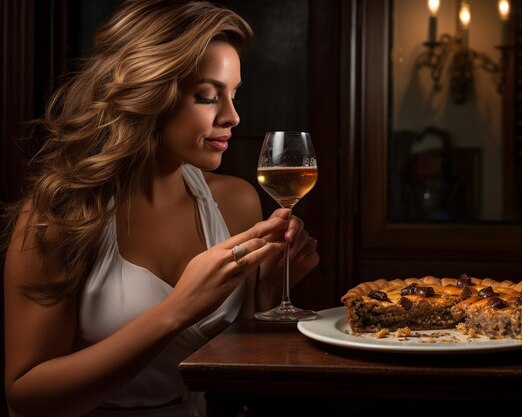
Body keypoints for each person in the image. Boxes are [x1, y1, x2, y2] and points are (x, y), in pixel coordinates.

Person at [1, 1, 319, 416]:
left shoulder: (236, 201)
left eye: (234, 94)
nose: (233, 116)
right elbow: (25, 400)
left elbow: (235, 363)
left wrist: (270, 288)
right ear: (149, 92)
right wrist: (176, 311)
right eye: (207, 96)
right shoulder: (60, 216)